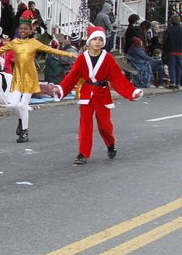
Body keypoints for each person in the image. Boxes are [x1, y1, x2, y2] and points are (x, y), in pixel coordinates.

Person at [0, 9, 76, 143]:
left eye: (26, 29)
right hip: (18, 77)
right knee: (13, 104)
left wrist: (68, 54)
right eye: (21, 29)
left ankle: (25, 131)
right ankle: (21, 120)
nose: (23, 31)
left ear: (30, 31)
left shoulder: (34, 43)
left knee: (22, 105)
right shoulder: (14, 42)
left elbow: (50, 49)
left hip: (30, 77)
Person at [54, 27, 142, 164]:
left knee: (104, 125)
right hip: (86, 93)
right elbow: (72, 77)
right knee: (85, 125)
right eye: (95, 39)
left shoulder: (107, 58)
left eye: (100, 39)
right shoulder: (82, 58)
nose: (97, 42)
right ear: (89, 41)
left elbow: (118, 78)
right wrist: (60, 88)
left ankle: (111, 144)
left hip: (102, 94)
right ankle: (83, 154)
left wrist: (131, 92)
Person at [162, 14, 182, 88]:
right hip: (180, 51)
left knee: (172, 67)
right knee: (179, 67)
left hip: (171, 51)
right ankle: (178, 83)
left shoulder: (169, 30)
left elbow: (165, 41)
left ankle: (173, 82)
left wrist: (165, 50)